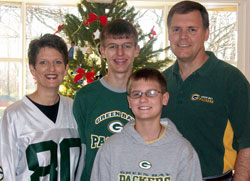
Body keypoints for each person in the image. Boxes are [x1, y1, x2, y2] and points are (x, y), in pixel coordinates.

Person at [162, 1, 250, 180]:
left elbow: (247, 142)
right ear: (169, 34)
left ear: (206, 33)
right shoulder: (161, 81)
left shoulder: (231, 80)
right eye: (176, 29)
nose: (183, 37)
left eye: (192, 29)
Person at [90, 68, 202, 181]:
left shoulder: (183, 151)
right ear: (129, 101)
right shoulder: (111, 148)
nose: (143, 99)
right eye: (136, 94)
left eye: (151, 93)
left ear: (164, 98)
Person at [0, 34, 84, 180]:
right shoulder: (14, 115)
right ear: (33, 68)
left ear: (65, 68)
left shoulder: (74, 109)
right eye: (44, 62)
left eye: (57, 62)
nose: (51, 68)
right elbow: (7, 171)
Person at [73, 19, 140, 180]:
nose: (120, 53)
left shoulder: (146, 97)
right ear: (102, 51)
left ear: (136, 50)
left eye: (127, 46)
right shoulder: (85, 97)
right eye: (112, 46)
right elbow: (80, 152)